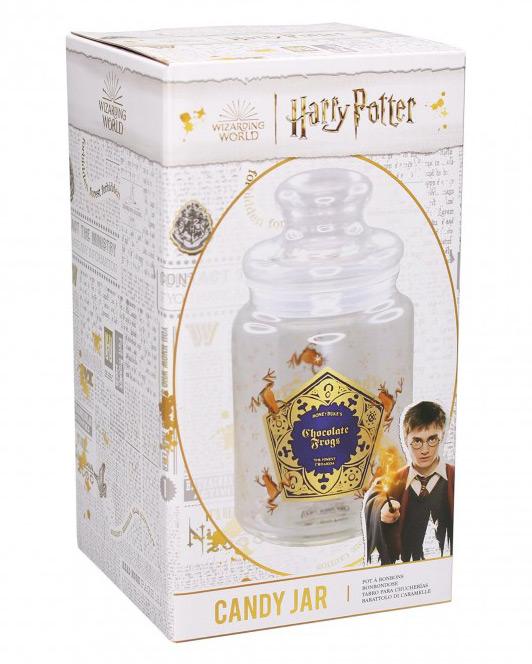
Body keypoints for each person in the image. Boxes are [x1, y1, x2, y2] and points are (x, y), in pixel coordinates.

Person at [364, 401, 454, 565]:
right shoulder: (392, 481)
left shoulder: (456, 478)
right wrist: (382, 508)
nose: (425, 450)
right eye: (417, 441)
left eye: (432, 439)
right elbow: (376, 496)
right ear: (405, 441)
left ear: (442, 437)